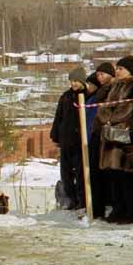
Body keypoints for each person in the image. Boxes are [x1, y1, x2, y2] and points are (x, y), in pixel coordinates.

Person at [95, 56, 133, 224]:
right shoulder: (115, 86)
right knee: (114, 176)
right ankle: (118, 209)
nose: (117, 71)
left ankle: (131, 212)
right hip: (111, 138)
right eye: (117, 68)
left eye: (121, 69)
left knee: (127, 177)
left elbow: (126, 109)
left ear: (130, 70)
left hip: (124, 139)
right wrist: (106, 115)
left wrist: (110, 117)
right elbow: (103, 109)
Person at [50, 67, 87, 210]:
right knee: (66, 174)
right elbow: (58, 117)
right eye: (71, 81)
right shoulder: (66, 96)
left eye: (76, 81)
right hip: (66, 141)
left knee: (80, 173)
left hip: (79, 142)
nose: (73, 84)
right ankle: (71, 199)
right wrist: (56, 136)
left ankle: (82, 200)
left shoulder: (86, 96)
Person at [89, 62, 115, 218]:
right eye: (98, 74)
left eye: (102, 74)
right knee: (95, 173)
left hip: (107, 135)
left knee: (106, 174)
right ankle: (97, 208)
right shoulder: (100, 91)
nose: (99, 77)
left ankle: (107, 205)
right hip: (97, 134)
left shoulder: (112, 89)